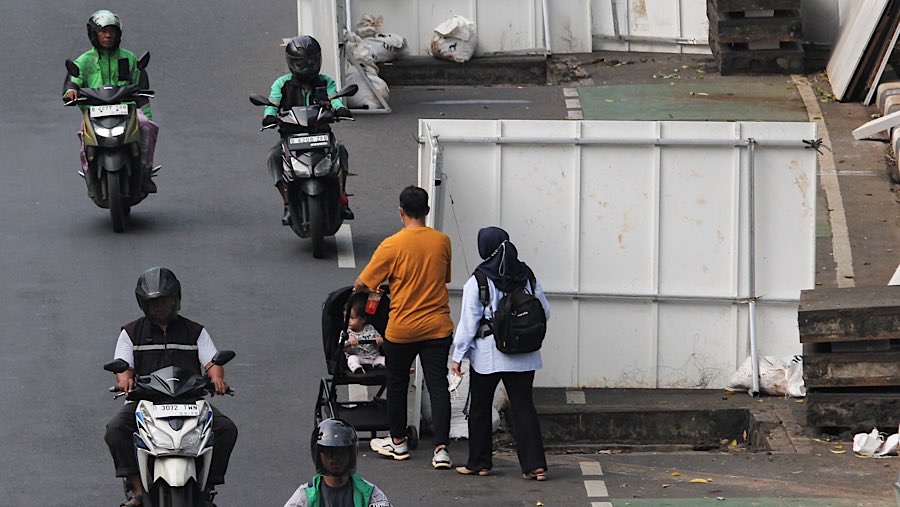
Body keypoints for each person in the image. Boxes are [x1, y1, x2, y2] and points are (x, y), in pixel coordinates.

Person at [104, 267, 238, 506]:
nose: (159, 307)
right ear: (144, 304)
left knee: (226, 429)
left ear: (176, 299)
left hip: (190, 402)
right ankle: (137, 490)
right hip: (145, 402)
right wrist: (124, 380)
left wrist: (217, 378)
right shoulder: (131, 333)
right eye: (153, 303)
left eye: (164, 301)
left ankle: (207, 487)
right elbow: (123, 367)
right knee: (115, 430)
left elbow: (212, 362)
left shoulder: (195, 331)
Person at [353, 185, 454, 470]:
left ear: (401, 212)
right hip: (437, 327)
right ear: (427, 211)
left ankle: (398, 442)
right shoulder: (442, 241)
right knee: (438, 385)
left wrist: (370, 288)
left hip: (402, 329)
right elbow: (444, 277)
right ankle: (441, 450)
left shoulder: (391, 245)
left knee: (397, 383)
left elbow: (363, 282)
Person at [450, 226, 550, 481]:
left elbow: (469, 323)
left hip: (488, 356)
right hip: (525, 355)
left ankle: (480, 463)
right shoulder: (527, 275)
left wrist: (458, 355)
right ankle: (535, 466)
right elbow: (545, 312)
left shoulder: (479, 280)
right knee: (523, 407)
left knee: (480, 408)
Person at [63, 10, 159, 195]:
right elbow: (73, 81)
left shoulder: (129, 58)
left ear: (118, 34)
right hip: (94, 113)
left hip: (127, 111)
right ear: (94, 34)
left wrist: (146, 115)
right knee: (83, 137)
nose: (108, 35)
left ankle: (145, 172)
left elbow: (142, 89)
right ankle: (89, 176)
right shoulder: (84, 61)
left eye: (112, 31)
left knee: (147, 127)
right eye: (103, 31)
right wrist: (71, 92)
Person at [262, 35, 354, 226]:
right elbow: (272, 104)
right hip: (291, 136)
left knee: (341, 150)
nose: (306, 67)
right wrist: (269, 115)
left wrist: (339, 108)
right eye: (301, 63)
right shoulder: (281, 84)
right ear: (291, 63)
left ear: (318, 60)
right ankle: (287, 203)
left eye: (311, 62)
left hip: (321, 134)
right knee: (273, 157)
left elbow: (335, 99)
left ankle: (342, 197)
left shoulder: (326, 82)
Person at [284, 418, 391, 507]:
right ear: (319, 455)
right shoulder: (304, 497)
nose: (335, 458)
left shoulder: (370, 494)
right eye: (329, 452)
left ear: (350, 454)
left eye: (341, 452)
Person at [342, 292, 386, 374]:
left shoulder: (370, 328)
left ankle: (400, 369)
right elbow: (341, 347)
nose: (348, 321)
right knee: (352, 359)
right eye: (346, 318)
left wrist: (379, 340)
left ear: (363, 319)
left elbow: (379, 340)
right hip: (359, 357)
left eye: (351, 318)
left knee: (386, 360)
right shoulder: (346, 333)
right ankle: (357, 369)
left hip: (374, 357)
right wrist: (348, 344)